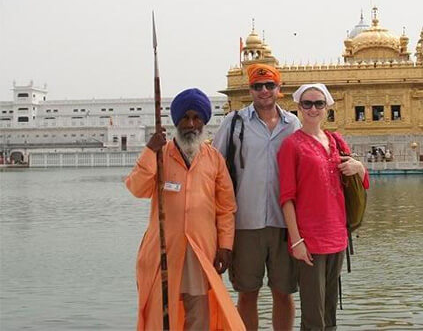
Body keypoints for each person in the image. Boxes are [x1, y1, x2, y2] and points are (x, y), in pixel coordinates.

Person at [125, 88, 245, 331]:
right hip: (164, 248)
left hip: (200, 248)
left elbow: (226, 208)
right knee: (160, 313)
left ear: (204, 122)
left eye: (196, 118)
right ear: (176, 121)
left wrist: (226, 246)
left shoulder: (213, 158)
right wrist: (149, 151)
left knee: (198, 312)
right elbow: (138, 188)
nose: (191, 124)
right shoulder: (161, 154)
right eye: (185, 118)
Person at [212, 63, 301, 331]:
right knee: (247, 293)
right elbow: (214, 169)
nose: (264, 91)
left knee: (283, 292)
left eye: (269, 85)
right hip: (245, 222)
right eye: (257, 86)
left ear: (279, 89)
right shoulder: (234, 122)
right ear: (249, 90)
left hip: (284, 223)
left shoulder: (292, 123)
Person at [277, 83, 369, 330]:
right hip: (310, 241)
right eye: (307, 104)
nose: (313, 109)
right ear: (299, 108)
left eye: (319, 103)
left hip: (338, 236)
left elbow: (361, 182)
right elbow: (286, 197)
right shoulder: (291, 145)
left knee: (330, 309)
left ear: (327, 107)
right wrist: (296, 241)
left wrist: (359, 167)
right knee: (313, 313)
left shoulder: (336, 141)